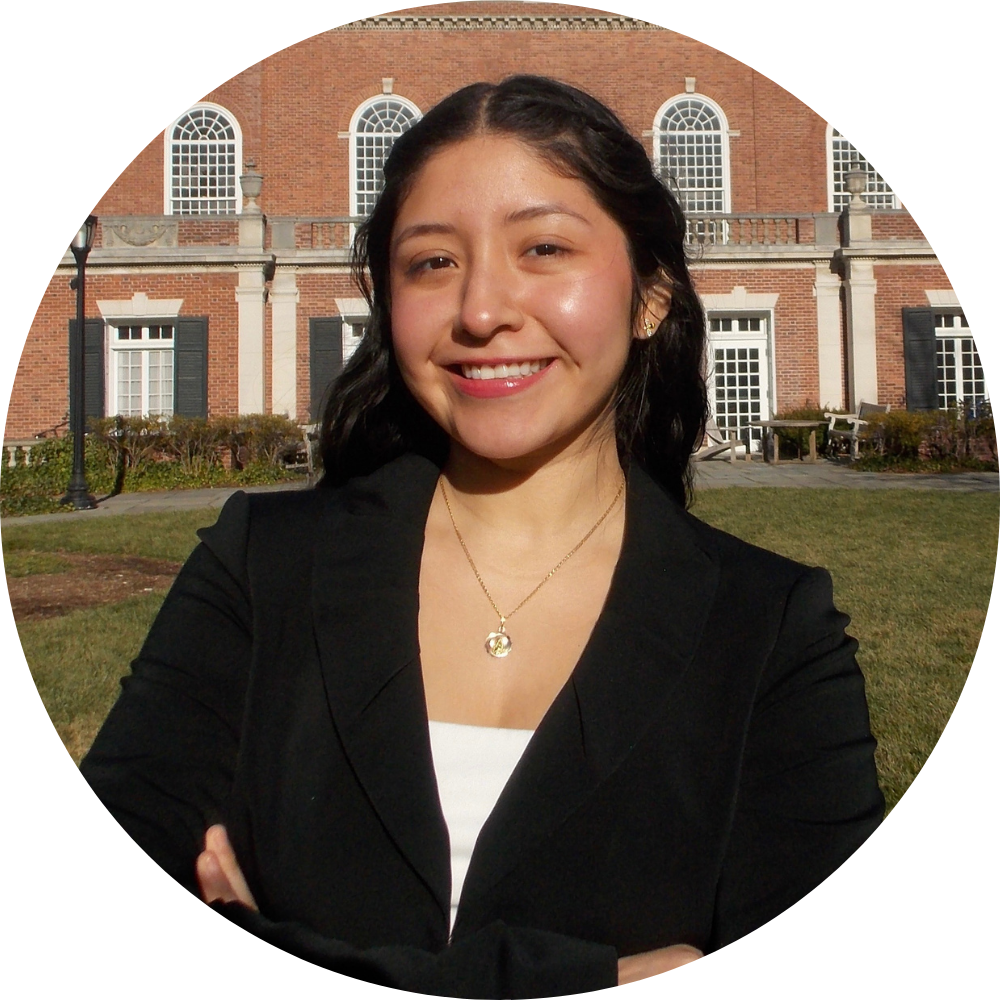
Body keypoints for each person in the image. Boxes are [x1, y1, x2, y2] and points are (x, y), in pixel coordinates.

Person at [81, 76, 884, 998]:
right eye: (431, 263)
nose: (480, 310)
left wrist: (258, 940)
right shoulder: (259, 567)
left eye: (544, 247)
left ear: (651, 292)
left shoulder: (774, 629)